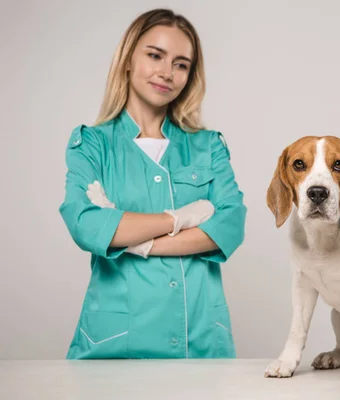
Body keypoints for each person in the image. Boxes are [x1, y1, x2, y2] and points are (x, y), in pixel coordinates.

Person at [58, 8, 246, 359]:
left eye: (181, 64)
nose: (167, 73)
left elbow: (229, 226)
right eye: (155, 55)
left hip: (201, 342)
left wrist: (132, 240)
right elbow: (85, 224)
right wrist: (180, 219)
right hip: (114, 345)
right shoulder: (93, 144)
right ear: (128, 58)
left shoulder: (208, 146)